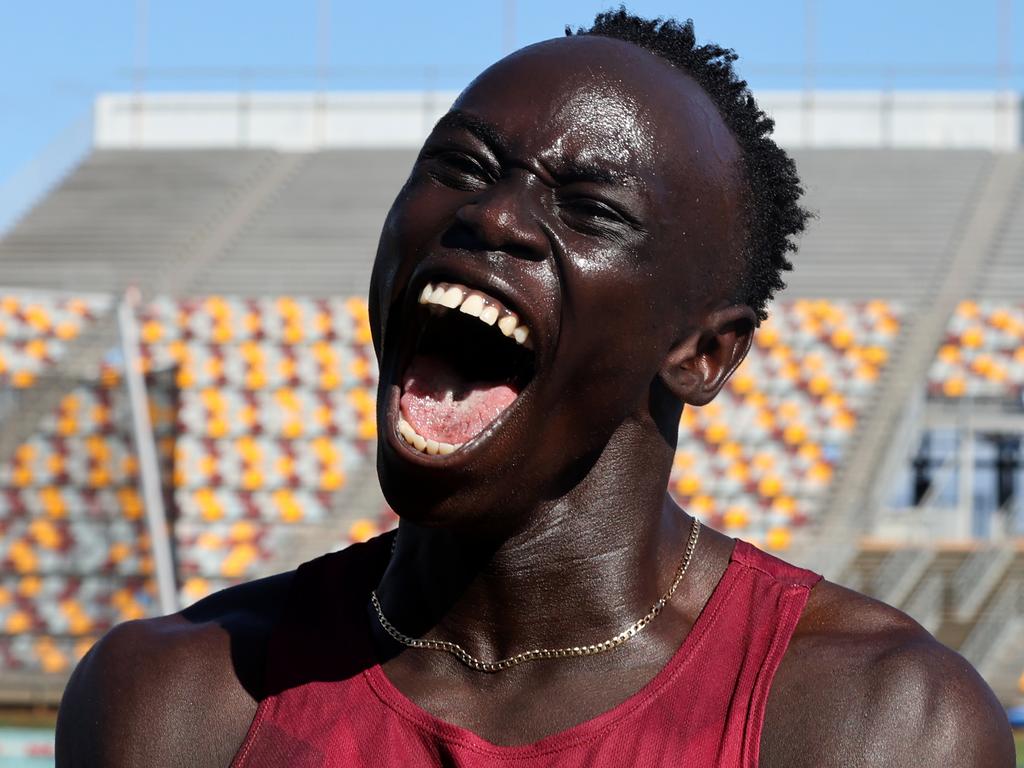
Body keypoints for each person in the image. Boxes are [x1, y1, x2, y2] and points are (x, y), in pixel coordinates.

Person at [56, 9, 1014, 767]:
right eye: (460, 165)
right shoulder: (179, 701)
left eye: (590, 208)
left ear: (705, 355)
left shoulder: (873, 724)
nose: (493, 214)